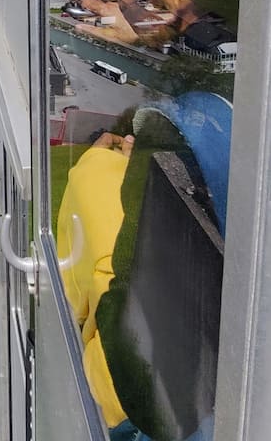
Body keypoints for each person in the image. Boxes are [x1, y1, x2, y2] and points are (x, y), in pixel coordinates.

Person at [57, 93, 231, 441]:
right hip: (164, 402)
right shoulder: (212, 231)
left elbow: (75, 300)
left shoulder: (102, 183)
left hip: (116, 396)